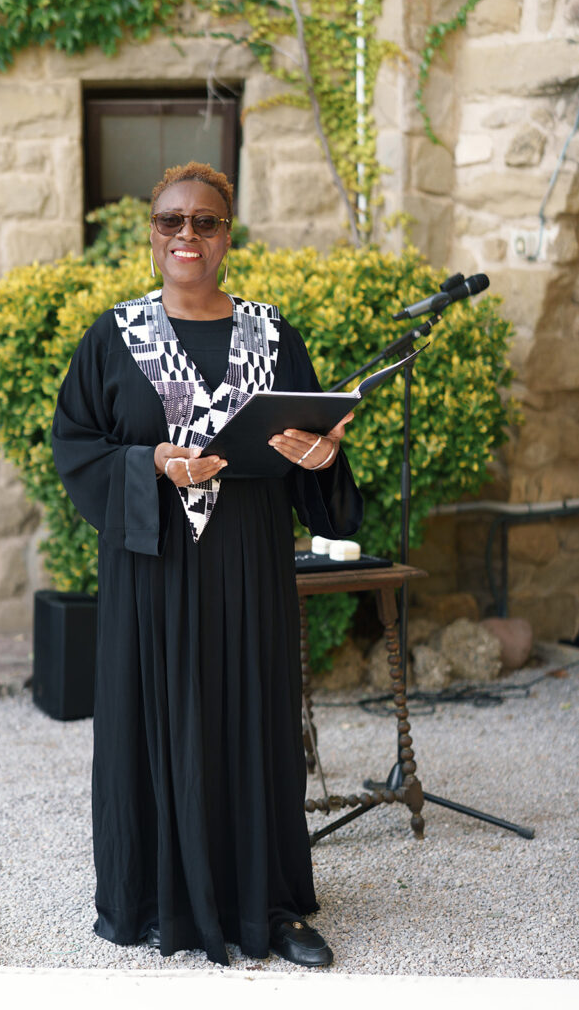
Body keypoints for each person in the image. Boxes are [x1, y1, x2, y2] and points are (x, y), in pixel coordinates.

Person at [51, 162, 363, 967]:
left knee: (253, 724)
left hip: (248, 567)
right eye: (169, 222)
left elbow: (305, 447)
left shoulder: (272, 334)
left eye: (205, 223)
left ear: (229, 235)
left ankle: (270, 908)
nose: (186, 236)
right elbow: (77, 447)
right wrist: (153, 462)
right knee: (157, 724)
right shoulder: (112, 336)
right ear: (151, 233)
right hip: (153, 571)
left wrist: (320, 456)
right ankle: (159, 901)